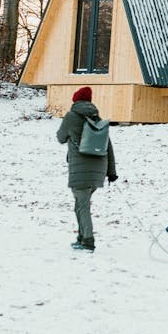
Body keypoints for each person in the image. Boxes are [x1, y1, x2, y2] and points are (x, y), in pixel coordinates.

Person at [56, 86, 117, 251]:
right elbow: (108, 146)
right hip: (98, 171)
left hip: (80, 170)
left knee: (82, 206)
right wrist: (112, 172)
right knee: (80, 204)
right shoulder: (97, 119)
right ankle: (81, 238)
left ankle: (88, 241)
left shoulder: (71, 116)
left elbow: (61, 138)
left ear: (75, 100)